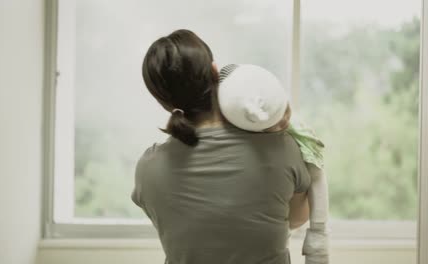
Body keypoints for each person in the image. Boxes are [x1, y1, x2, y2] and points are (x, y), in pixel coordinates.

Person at [131, 29, 311, 264]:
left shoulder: (148, 169)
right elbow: (296, 218)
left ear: (162, 101)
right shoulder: (281, 147)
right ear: (215, 71)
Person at [218, 64, 329, 264]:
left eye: (286, 111)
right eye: (274, 126)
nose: (285, 122)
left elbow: (316, 180)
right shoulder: (281, 152)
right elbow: (296, 218)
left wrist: (318, 235)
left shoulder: (293, 141)